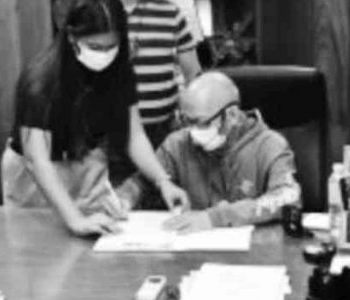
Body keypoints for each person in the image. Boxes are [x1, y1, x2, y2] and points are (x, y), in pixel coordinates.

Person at [1, 0, 190, 236]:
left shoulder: (120, 70)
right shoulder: (41, 80)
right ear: (71, 37)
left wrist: (162, 180)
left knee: (98, 240)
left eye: (111, 45)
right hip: (36, 177)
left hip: (87, 161)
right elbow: (37, 160)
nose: (104, 54)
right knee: (39, 251)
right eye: (94, 46)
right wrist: (74, 220)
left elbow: (134, 135)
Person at [116, 72, 300, 232]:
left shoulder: (270, 145)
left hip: (251, 256)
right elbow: (142, 182)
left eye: (200, 122)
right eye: (185, 120)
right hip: (190, 255)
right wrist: (124, 199)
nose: (191, 130)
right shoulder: (177, 143)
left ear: (232, 115)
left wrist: (215, 218)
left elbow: (288, 197)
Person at [97, 0, 201, 149]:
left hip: (162, 134)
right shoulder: (88, 15)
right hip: (107, 136)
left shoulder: (170, 13)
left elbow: (193, 74)